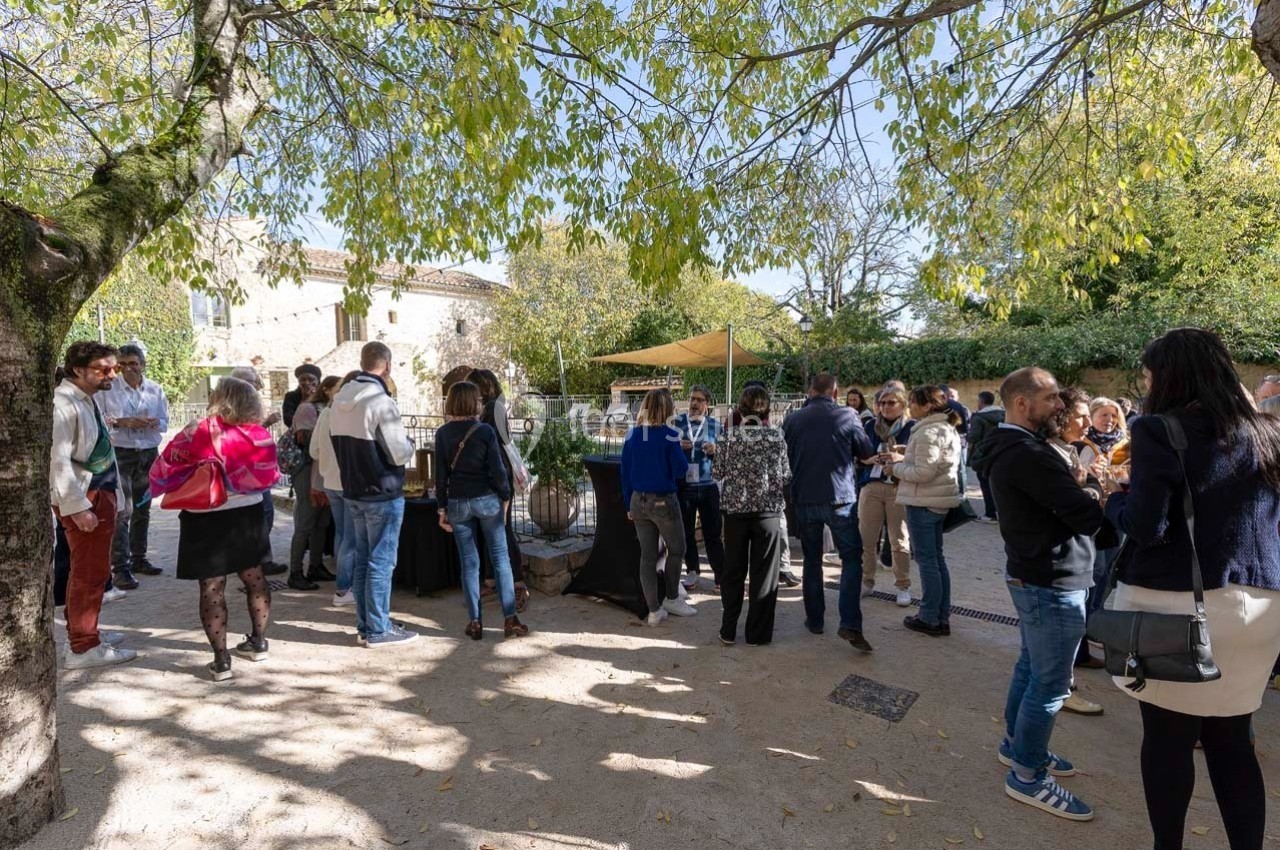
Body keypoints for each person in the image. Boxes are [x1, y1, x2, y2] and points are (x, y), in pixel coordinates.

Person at [1102, 328, 1280, 850]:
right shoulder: (1267, 432)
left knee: (1167, 742)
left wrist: (1113, 500)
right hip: (1261, 607)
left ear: (1171, 375)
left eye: (1150, 374)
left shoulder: (1158, 429)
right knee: (1232, 742)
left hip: (1179, 607)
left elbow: (1147, 526)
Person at [973, 367, 1104, 822]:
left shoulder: (1023, 447)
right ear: (1022, 404)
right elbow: (1085, 515)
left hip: (1038, 576)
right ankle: (1027, 775)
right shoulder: (1028, 452)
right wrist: (1095, 487)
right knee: (1050, 684)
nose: (1060, 407)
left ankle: (1017, 747)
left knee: (1032, 668)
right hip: (1050, 581)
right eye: (1051, 399)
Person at [150, 378, 279, 681]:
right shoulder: (259, 434)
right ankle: (258, 643)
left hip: (205, 514)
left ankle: (222, 661)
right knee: (255, 577)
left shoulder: (201, 430)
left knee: (212, 587)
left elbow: (167, 463)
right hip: (249, 513)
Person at [50, 342, 138, 670]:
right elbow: (56, 460)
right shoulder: (63, 404)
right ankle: (83, 646)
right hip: (86, 498)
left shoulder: (84, 399)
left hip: (97, 493)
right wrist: (76, 506)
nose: (112, 374)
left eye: (113, 368)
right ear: (78, 370)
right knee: (89, 572)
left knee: (92, 571)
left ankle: (85, 634)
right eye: (104, 368)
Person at [330, 342, 418, 647]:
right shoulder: (380, 402)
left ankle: (367, 625)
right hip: (382, 492)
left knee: (364, 559)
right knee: (381, 562)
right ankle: (378, 629)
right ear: (388, 366)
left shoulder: (340, 398)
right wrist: (409, 444)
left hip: (353, 489)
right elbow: (398, 453)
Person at [782, 373, 876, 652]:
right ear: (835, 393)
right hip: (840, 498)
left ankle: (815, 620)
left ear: (810, 391)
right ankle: (850, 621)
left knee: (812, 560)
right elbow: (865, 451)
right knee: (851, 559)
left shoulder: (792, 419)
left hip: (804, 498)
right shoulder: (848, 415)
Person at [436, 381, 528, 640]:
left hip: (457, 501)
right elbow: (498, 470)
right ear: (473, 402)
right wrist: (505, 497)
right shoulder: (485, 431)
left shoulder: (443, 434)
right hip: (486, 499)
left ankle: (475, 621)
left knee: (469, 563)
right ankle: (510, 619)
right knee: (500, 559)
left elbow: (440, 476)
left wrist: (441, 507)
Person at [1041, 388, 1108, 715]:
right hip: (1060, 563)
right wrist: (1092, 491)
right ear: (1061, 416)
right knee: (1057, 641)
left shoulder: (1070, 450)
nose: (1087, 421)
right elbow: (1072, 507)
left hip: (1073, 558)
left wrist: (1091, 486)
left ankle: (1061, 686)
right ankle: (1060, 691)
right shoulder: (1050, 453)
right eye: (1081, 415)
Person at [712, 385, 790, 646]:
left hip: (735, 512)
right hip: (767, 513)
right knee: (764, 574)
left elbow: (716, 473)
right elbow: (786, 475)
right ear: (767, 408)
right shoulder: (777, 437)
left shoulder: (728, 437)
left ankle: (728, 629)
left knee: (733, 571)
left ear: (740, 408)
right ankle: (758, 634)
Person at [883, 386, 963, 636]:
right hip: (936, 502)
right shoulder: (942, 427)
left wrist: (895, 469)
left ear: (927, 406)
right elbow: (933, 462)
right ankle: (940, 615)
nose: (910, 407)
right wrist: (907, 454)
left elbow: (924, 473)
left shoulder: (929, 431)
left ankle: (930, 617)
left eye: (913, 403)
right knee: (937, 560)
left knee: (928, 562)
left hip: (924, 503)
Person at [621, 388, 698, 625]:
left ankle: (653, 610)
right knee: (677, 548)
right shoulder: (670, 434)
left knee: (647, 556)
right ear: (667, 409)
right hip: (663, 501)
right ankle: (672, 598)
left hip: (637, 501)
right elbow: (680, 470)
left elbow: (624, 472)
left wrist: (628, 504)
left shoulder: (632, 435)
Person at [98, 342, 168, 587]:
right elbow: (101, 420)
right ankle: (120, 567)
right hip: (122, 453)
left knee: (143, 507)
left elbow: (164, 422)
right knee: (123, 510)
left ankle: (140, 558)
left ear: (142, 365)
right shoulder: (108, 390)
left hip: (148, 453)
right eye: (123, 364)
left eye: (133, 364)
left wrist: (151, 422)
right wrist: (123, 422)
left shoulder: (155, 390)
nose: (128, 368)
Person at [468, 368, 531, 612]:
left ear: (482, 387)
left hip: (498, 475)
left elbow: (499, 443)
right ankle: (492, 580)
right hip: (489, 475)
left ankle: (517, 584)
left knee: (503, 530)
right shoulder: (491, 408)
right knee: (490, 529)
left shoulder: (493, 409)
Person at [856, 387, 915, 607]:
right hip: (871, 484)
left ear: (902, 404)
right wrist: (866, 459)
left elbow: (918, 457)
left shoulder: (911, 427)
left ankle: (903, 585)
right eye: (882, 403)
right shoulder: (870, 425)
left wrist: (900, 456)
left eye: (891, 403)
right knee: (866, 539)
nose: (886, 407)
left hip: (898, 487)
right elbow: (857, 450)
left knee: (899, 539)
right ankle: (866, 581)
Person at [738, 380, 799, 588]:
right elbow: (785, 475)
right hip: (765, 503)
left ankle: (783, 568)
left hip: (742, 503)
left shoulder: (772, 430)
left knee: (776, 532)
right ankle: (767, 581)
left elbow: (719, 471)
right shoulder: (772, 435)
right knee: (765, 548)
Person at [230, 366, 285, 576]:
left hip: (256, 469)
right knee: (262, 514)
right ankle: (257, 561)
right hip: (246, 471)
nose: (258, 387)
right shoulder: (234, 407)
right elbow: (242, 435)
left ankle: (256, 558)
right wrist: (266, 422)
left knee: (264, 514)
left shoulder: (243, 404)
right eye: (255, 383)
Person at [312, 371, 360, 607]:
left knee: (342, 534)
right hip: (349, 484)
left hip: (331, 482)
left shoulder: (326, 414)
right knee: (350, 538)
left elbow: (314, 451)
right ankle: (344, 589)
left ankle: (344, 585)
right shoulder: (348, 415)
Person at [285, 374, 337, 591]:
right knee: (305, 522)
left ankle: (315, 565)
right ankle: (295, 572)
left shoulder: (328, 409)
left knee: (321, 521)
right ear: (327, 390)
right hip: (307, 470)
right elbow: (306, 442)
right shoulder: (308, 409)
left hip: (323, 470)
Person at [672, 386, 724, 590]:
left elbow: (726, 455)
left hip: (709, 486)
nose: (694, 403)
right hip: (684, 486)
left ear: (707, 404)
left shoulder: (715, 426)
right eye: (692, 399)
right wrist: (677, 446)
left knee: (713, 533)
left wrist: (716, 450)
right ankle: (692, 571)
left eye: (699, 400)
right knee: (686, 533)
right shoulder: (676, 424)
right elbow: (667, 451)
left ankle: (720, 574)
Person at [967, 390, 1004, 523]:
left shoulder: (978, 417)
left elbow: (974, 436)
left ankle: (990, 513)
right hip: (1000, 453)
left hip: (983, 455)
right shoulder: (1004, 414)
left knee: (985, 485)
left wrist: (967, 436)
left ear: (981, 402)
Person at [282, 363, 321, 428]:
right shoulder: (291, 397)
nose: (307, 383)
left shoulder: (323, 396)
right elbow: (288, 421)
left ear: (318, 381)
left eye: (311, 379)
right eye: (302, 380)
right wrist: (305, 399)